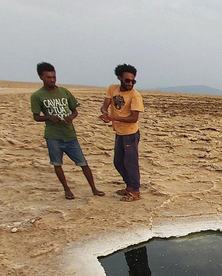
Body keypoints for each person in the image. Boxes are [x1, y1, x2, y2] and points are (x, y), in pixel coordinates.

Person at [30, 62, 106, 200]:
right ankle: (67, 189)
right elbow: (36, 117)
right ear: (41, 77)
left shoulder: (64, 92)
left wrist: (71, 117)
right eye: (48, 77)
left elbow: (74, 110)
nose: (52, 80)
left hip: (70, 134)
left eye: (54, 77)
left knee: (83, 162)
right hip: (53, 136)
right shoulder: (37, 96)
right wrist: (49, 117)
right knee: (57, 163)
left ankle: (94, 188)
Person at [100, 64, 144, 202]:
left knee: (130, 163)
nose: (130, 83)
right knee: (118, 162)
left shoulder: (135, 96)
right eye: (127, 80)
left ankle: (135, 191)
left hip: (130, 133)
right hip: (119, 132)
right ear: (119, 78)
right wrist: (105, 113)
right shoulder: (113, 88)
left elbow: (134, 118)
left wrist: (114, 118)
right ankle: (129, 186)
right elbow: (105, 104)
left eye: (133, 81)